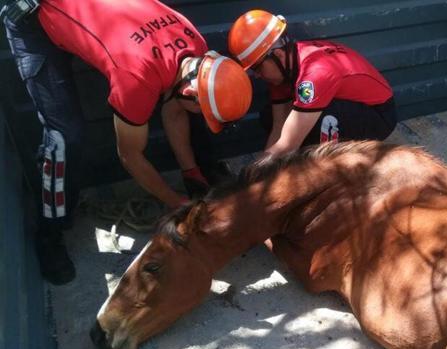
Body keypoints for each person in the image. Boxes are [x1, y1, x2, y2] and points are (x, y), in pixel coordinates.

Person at [2, 0, 252, 285]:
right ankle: (49, 232)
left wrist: (190, 173)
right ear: (189, 88)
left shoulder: (195, 43)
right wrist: (177, 203)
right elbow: (130, 155)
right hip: (35, 15)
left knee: (192, 111)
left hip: (97, 19)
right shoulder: (135, 77)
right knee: (64, 137)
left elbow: (176, 109)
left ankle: (201, 171)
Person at [227, 9, 397, 159]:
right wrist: (260, 172)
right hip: (349, 105)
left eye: (256, 68)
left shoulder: (315, 74)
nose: (256, 76)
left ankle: (332, 173)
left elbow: (287, 144)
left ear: (277, 55)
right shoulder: (284, 67)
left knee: (316, 124)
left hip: (379, 116)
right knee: (269, 117)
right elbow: (279, 125)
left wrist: (253, 181)